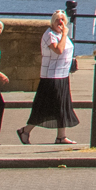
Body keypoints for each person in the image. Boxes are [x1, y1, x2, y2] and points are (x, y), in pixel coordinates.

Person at [18, 10, 78, 144]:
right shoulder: (49, 35)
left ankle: (61, 137)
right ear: (52, 21)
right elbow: (58, 50)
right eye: (57, 20)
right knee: (44, 106)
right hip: (51, 76)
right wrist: (64, 35)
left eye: (62, 20)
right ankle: (25, 130)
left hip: (62, 75)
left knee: (62, 106)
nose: (60, 22)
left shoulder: (61, 34)